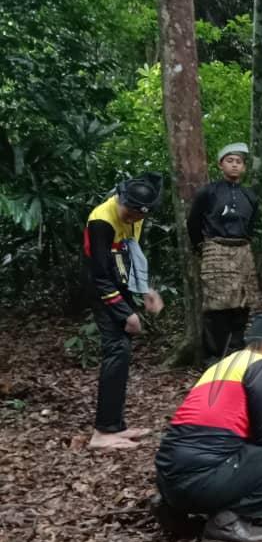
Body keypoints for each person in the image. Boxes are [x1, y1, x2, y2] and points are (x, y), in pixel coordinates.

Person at [154, 314, 262, 542]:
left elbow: (249, 432)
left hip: (170, 481)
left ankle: (174, 510)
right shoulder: (261, 365)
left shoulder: (224, 366)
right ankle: (229, 522)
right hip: (202, 479)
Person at [83, 172, 165, 450]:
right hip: (102, 289)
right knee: (116, 351)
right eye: (128, 213)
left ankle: (114, 425)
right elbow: (99, 273)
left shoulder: (135, 218)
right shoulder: (101, 220)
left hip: (121, 285)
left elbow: (132, 253)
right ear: (120, 199)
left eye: (139, 216)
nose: (131, 220)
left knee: (122, 351)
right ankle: (102, 433)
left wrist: (146, 291)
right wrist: (123, 311)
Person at [188, 142, 261, 362]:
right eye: (230, 161)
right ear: (221, 164)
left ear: (244, 168)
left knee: (243, 300)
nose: (235, 166)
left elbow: (253, 223)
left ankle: (236, 350)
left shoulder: (249, 196)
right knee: (217, 303)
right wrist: (201, 246)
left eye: (239, 162)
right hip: (216, 247)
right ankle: (214, 355)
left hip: (242, 250)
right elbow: (193, 221)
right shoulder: (209, 192)